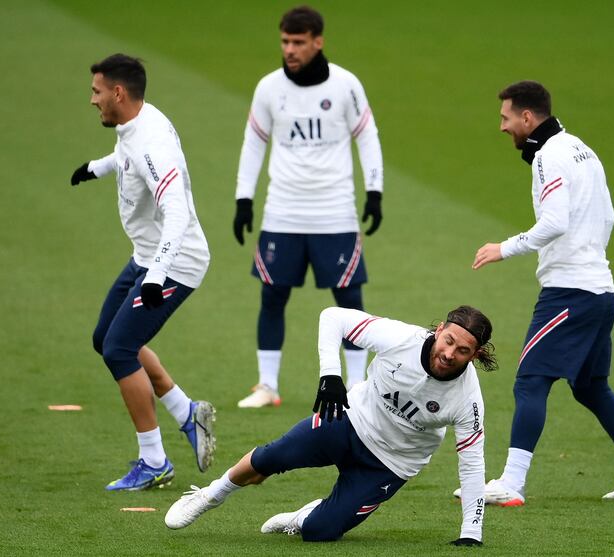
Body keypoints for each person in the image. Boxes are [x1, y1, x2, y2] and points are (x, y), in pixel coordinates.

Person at [463, 80, 614, 506]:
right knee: (591, 387)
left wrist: (505, 248)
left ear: (527, 117)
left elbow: (554, 223)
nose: (502, 127)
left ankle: (511, 484)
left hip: (569, 293)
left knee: (531, 381)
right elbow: (608, 215)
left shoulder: (549, 156)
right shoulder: (580, 148)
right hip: (600, 290)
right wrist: (588, 255)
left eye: (505, 117)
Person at [164, 305, 497, 545]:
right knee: (270, 458)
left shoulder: (467, 399)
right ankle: (211, 495)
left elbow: (471, 463)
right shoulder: (401, 338)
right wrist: (330, 375)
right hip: (348, 420)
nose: (449, 353)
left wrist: (471, 532)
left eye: (462, 350)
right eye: (448, 340)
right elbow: (332, 316)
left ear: (475, 355)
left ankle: (303, 517)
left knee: (319, 533)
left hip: (390, 466)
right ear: (439, 330)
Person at [69, 53, 215, 490]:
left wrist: (156, 276)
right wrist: (99, 167)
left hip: (174, 262)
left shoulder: (152, 140)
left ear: (117, 92)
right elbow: (126, 156)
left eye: (96, 91)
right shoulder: (134, 122)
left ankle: (154, 462)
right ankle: (188, 413)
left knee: (119, 350)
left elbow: (177, 213)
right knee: (107, 339)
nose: (92, 100)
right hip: (146, 254)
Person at [232, 6, 384, 408]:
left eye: (298, 42)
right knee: (272, 296)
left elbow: (367, 137)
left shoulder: (345, 85)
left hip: (335, 211)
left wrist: (375, 191)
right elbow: (254, 143)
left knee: (349, 299)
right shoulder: (268, 88)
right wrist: (243, 199)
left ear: (318, 41)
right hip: (282, 211)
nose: (290, 49)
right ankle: (267, 386)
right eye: (285, 41)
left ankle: (356, 385)